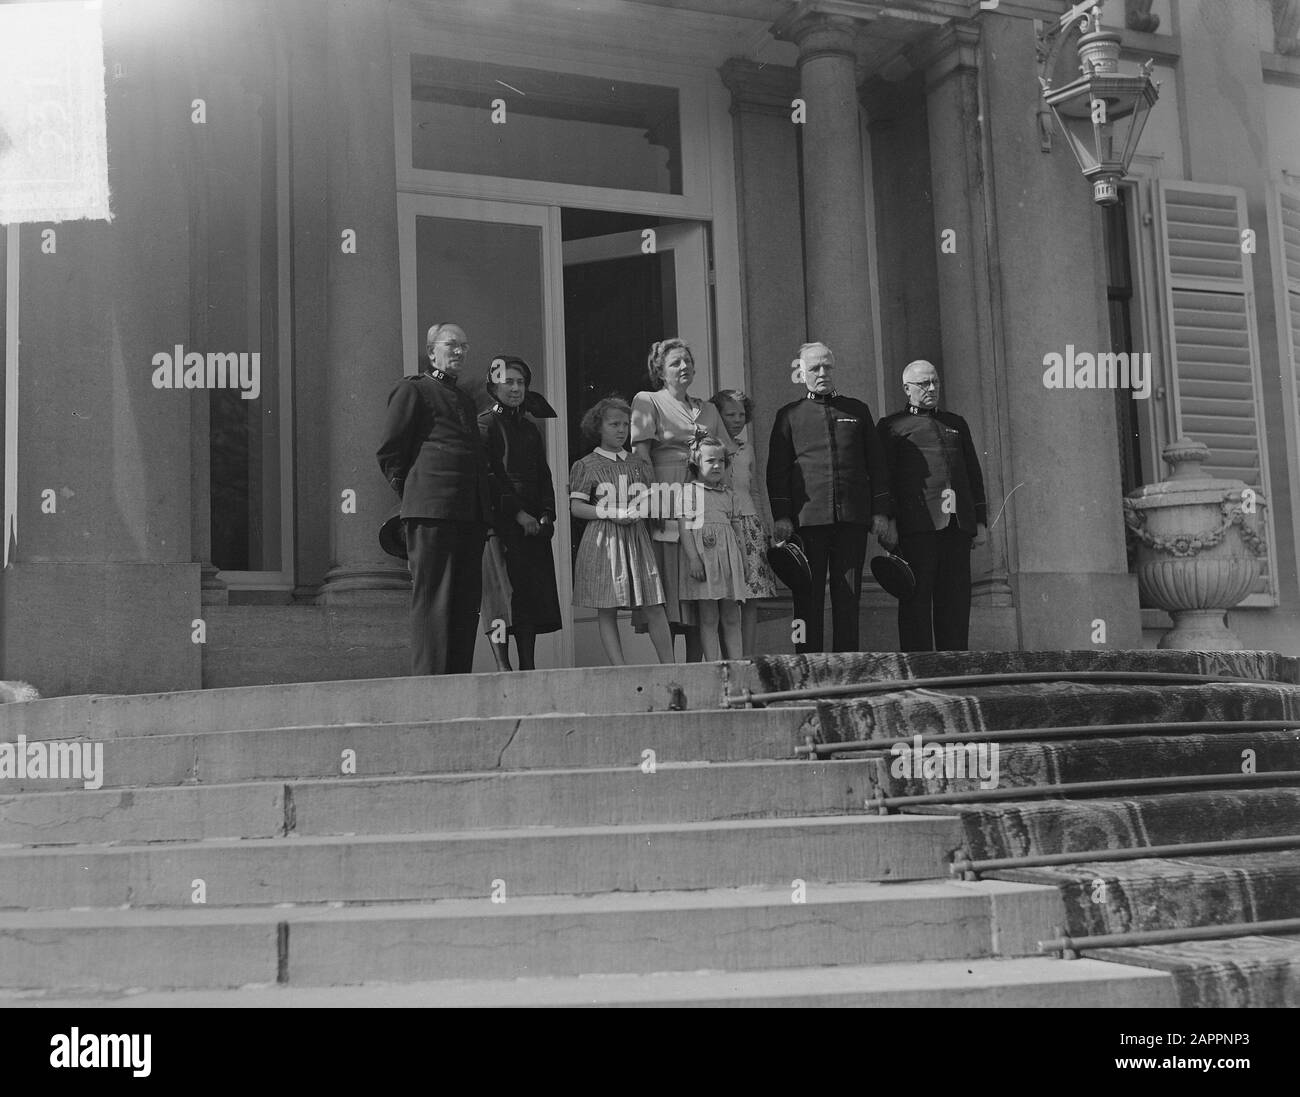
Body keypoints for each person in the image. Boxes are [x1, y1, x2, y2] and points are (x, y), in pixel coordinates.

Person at [376, 322, 493, 676]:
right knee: (433, 599)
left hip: (469, 513)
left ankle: (457, 678)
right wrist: (415, 493)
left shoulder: (464, 398)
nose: (459, 352)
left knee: (464, 600)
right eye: (451, 345)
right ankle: (430, 682)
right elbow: (390, 451)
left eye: (464, 346)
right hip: (430, 509)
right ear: (432, 351)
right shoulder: (414, 390)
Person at [767, 341, 891, 653]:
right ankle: (806, 660)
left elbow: (876, 464)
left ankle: (847, 660)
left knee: (848, 593)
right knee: (805, 593)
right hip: (808, 520)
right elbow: (777, 470)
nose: (822, 373)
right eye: (814, 368)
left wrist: (880, 511)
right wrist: (781, 515)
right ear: (801, 373)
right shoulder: (789, 416)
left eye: (827, 367)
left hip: (852, 517)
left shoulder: (857, 410)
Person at [877, 359, 987, 651]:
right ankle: (920, 669)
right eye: (923, 383)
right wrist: (887, 519)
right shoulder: (891, 426)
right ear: (906, 388)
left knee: (955, 602)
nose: (931, 388)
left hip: (957, 526)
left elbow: (972, 474)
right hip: (917, 526)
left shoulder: (956, 423)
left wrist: (979, 521)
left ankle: (954, 667)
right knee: (916, 600)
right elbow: (883, 477)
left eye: (935, 382)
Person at [631, 339, 729, 662]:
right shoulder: (648, 401)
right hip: (667, 492)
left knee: (701, 585)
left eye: (687, 360)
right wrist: (651, 501)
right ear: (660, 370)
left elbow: (725, 455)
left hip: (703, 496)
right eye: (675, 363)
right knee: (670, 583)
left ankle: (697, 666)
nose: (683, 367)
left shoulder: (709, 409)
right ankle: (670, 670)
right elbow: (641, 455)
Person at [569, 397, 676, 666]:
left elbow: (651, 498)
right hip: (603, 539)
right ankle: (621, 670)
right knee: (607, 607)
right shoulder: (586, 464)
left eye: (626, 424)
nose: (621, 430)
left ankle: (671, 667)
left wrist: (641, 509)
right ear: (599, 427)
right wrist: (612, 513)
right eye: (614, 424)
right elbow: (577, 507)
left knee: (653, 602)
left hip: (636, 538)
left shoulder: (637, 463)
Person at [478, 356, 562, 671]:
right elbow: (488, 477)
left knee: (529, 599)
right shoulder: (484, 425)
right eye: (508, 382)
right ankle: (503, 666)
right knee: (501, 599)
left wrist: (546, 514)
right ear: (493, 386)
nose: (515, 388)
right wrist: (517, 514)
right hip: (499, 526)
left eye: (520, 382)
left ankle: (528, 664)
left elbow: (543, 475)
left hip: (532, 528)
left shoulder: (529, 429)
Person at [710, 389, 779, 655]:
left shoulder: (747, 447)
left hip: (750, 525)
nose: (738, 419)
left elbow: (755, 489)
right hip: (722, 525)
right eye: (730, 414)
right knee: (724, 599)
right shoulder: (709, 449)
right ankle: (728, 660)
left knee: (751, 599)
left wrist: (765, 525)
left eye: (742, 414)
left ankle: (748, 658)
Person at [678, 436, 747, 661]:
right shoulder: (688, 493)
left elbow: (737, 530)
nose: (717, 466)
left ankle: (737, 666)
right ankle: (713, 666)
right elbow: (685, 529)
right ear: (696, 463)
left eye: (721, 461)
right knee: (708, 618)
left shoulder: (729, 495)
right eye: (710, 461)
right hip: (705, 561)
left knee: (731, 616)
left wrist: (744, 559)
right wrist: (694, 559)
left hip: (728, 560)